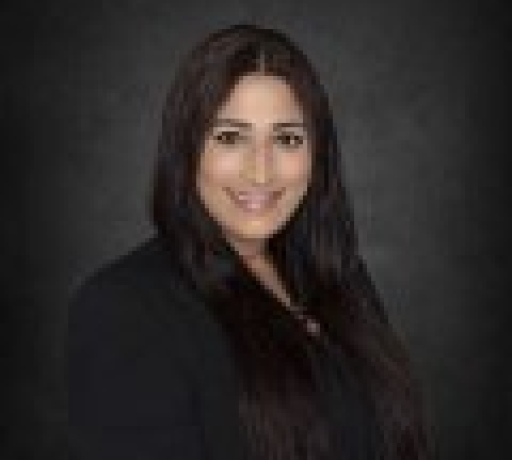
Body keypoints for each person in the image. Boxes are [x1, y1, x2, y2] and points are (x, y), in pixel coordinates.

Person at [69, 24, 434, 459]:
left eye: (287, 138)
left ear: (317, 155)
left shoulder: (340, 276)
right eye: (230, 137)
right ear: (186, 150)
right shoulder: (125, 309)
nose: (261, 172)